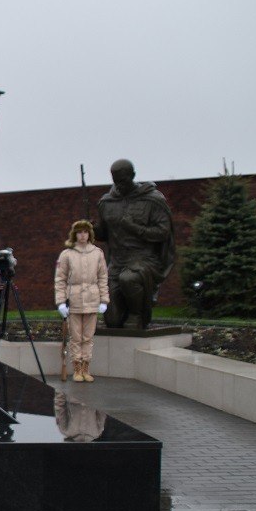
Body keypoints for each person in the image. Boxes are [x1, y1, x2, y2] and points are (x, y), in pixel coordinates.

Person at [96, 159, 176, 329]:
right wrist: (92, 230)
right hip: (117, 261)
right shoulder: (107, 202)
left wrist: (134, 228)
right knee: (112, 320)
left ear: (132, 175)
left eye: (123, 180)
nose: (120, 185)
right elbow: (104, 233)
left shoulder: (152, 200)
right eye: (116, 181)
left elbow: (163, 232)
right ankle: (122, 314)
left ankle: (137, 315)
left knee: (129, 278)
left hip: (143, 258)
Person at [55, 219, 109, 382]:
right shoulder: (67, 254)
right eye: (79, 232)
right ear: (75, 234)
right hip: (74, 300)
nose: (82, 235)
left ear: (89, 234)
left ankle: (86, 368)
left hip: (93, 298)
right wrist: (61, 302)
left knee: (88, 337)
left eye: (85, 232)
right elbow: (60, 279)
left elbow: (103, 277)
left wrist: (104, 300)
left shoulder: (98, 253)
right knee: (76, 337)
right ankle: (77, 368)